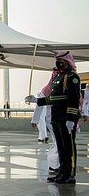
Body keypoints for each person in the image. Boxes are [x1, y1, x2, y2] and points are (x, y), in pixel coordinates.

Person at [36, 51, 81, 184]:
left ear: (67, 62)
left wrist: (71, 119)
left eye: (61, 61)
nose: (58, 63)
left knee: (68, 146)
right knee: (61, 146)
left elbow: (74, 98)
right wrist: (38, 101)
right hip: (57, 116)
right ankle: (62, 172)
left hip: (66, 117)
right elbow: (55, 98)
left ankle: (70, 174)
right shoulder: (58, 77)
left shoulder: (72, 77)